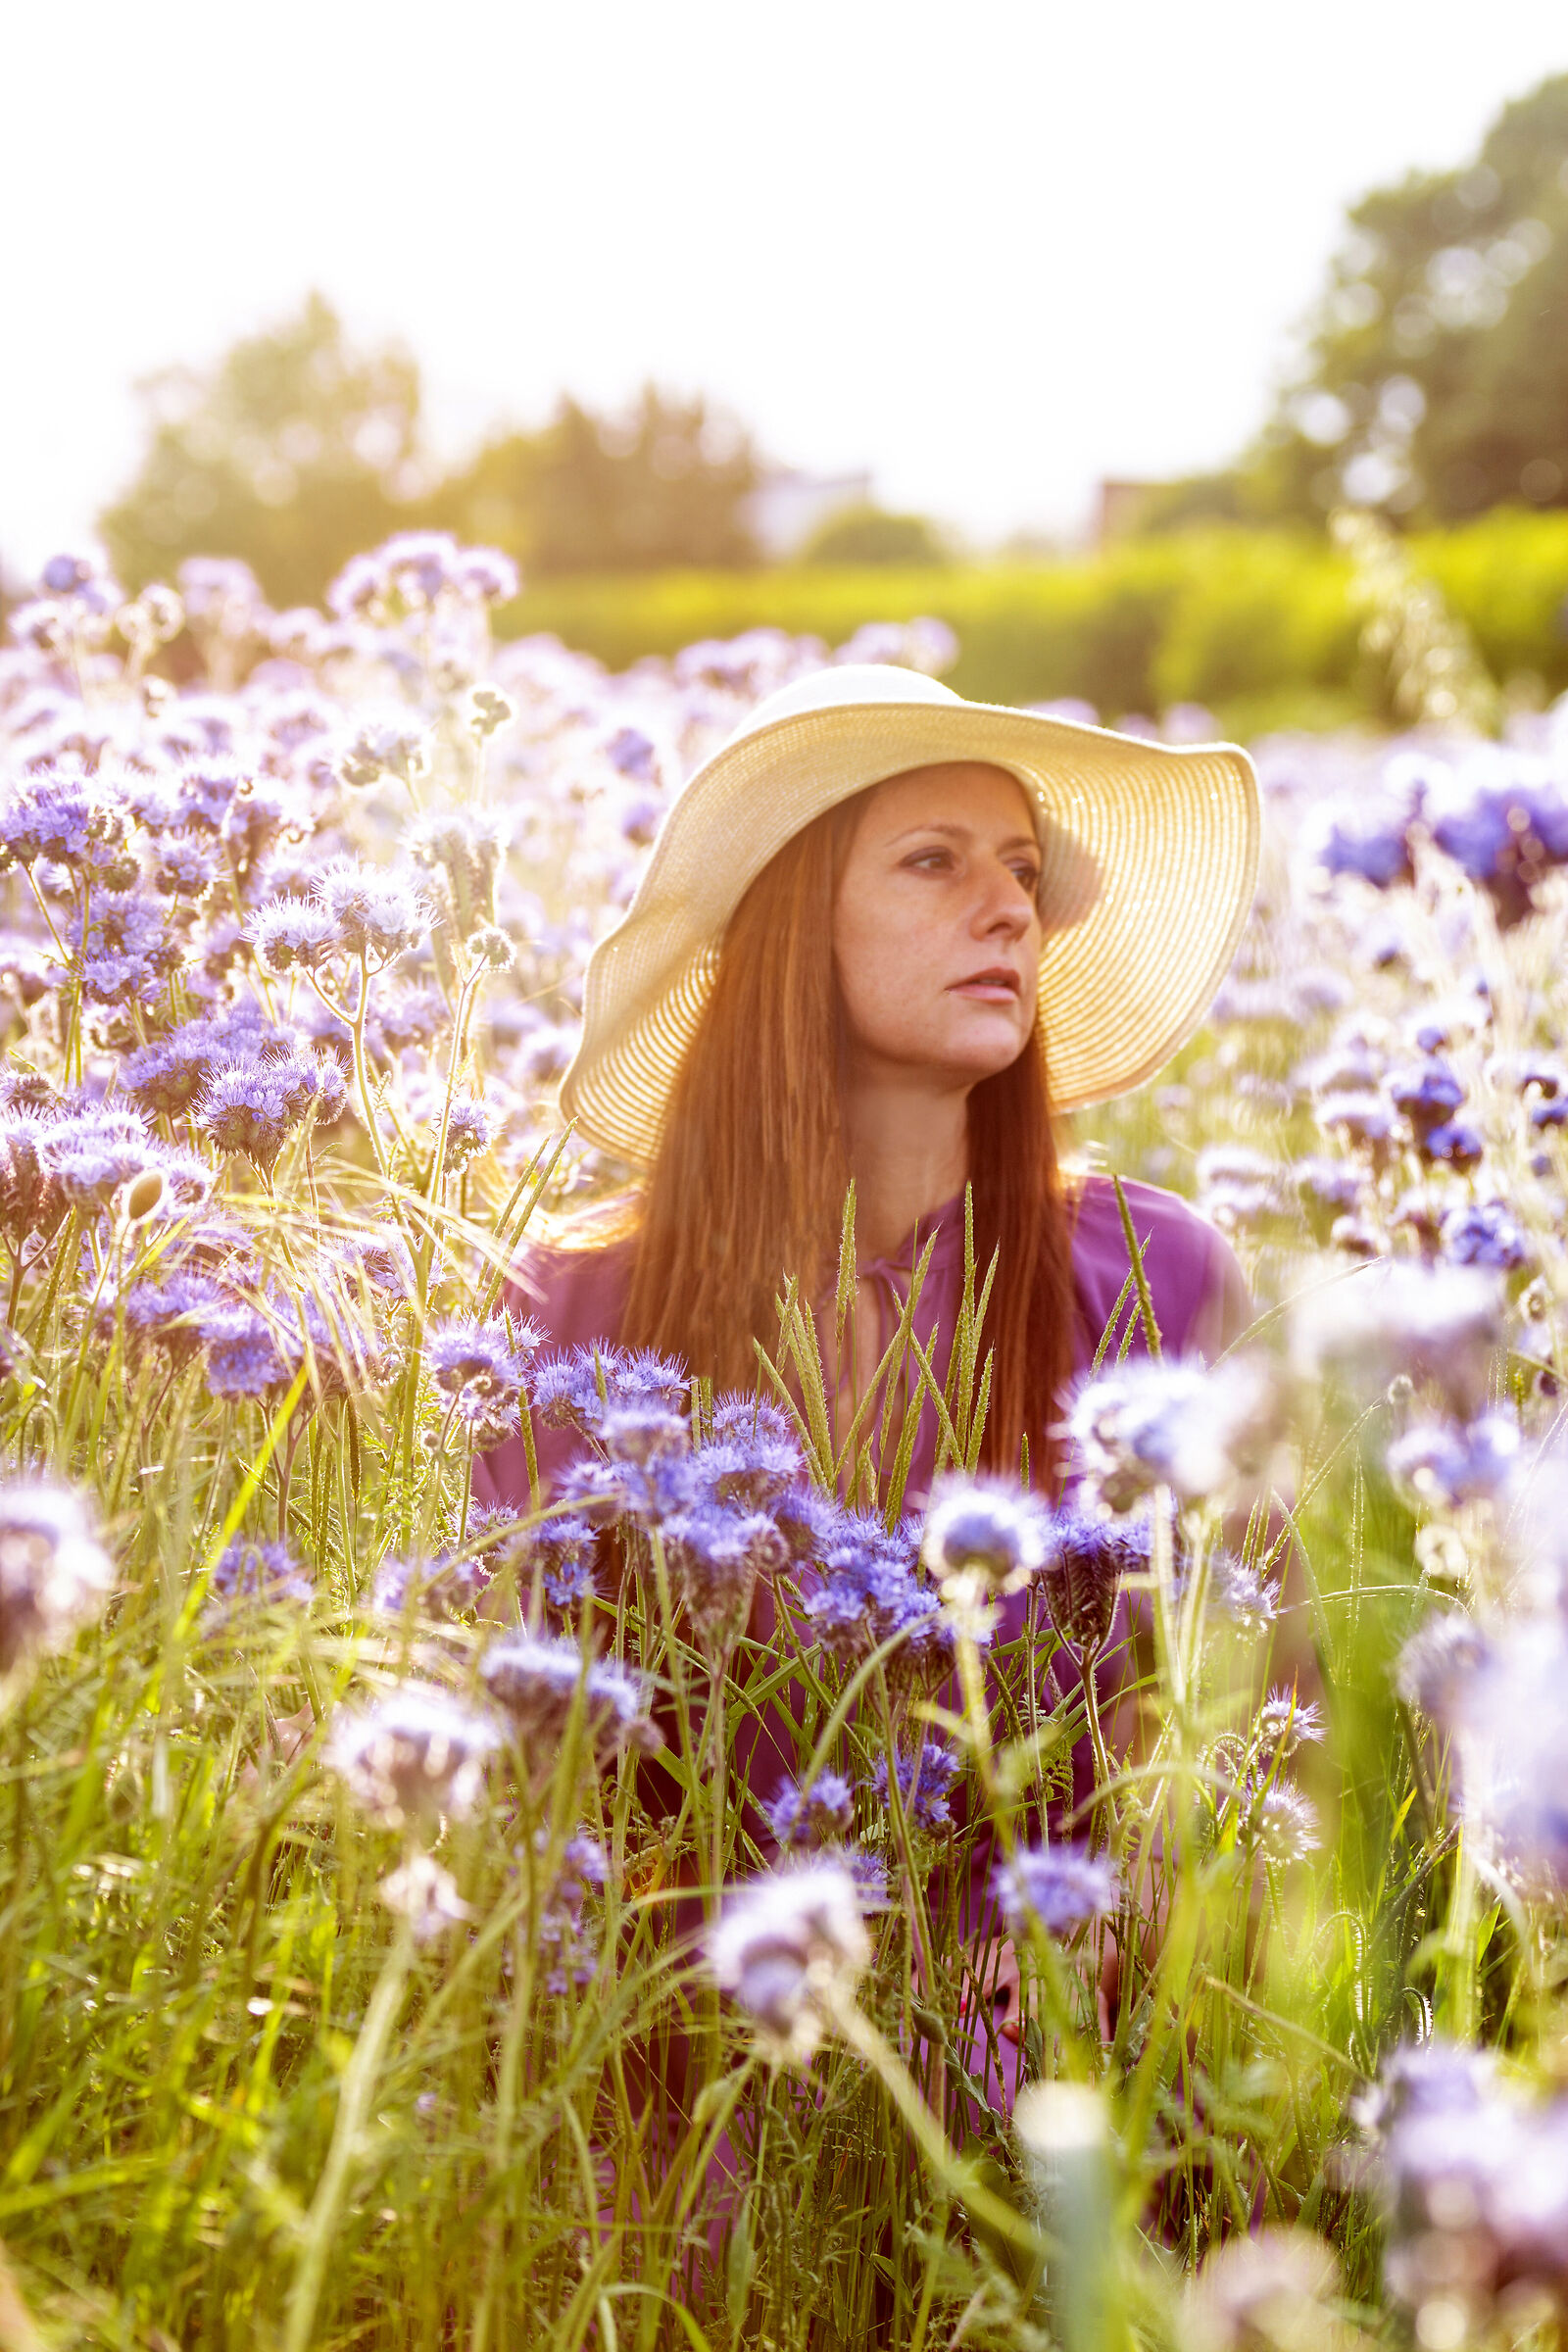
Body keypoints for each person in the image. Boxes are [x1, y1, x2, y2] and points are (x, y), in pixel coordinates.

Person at [473, 660, 1260, 2131]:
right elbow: (521, 1793)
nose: (1011, 908)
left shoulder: (1161, 1281)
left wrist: (1127, 1923)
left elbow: (1248, 1738)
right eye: (933, 862)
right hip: (672, 2100)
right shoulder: (568, 1309)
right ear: (793, 926)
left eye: (1021, 869)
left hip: (1057, 2097)